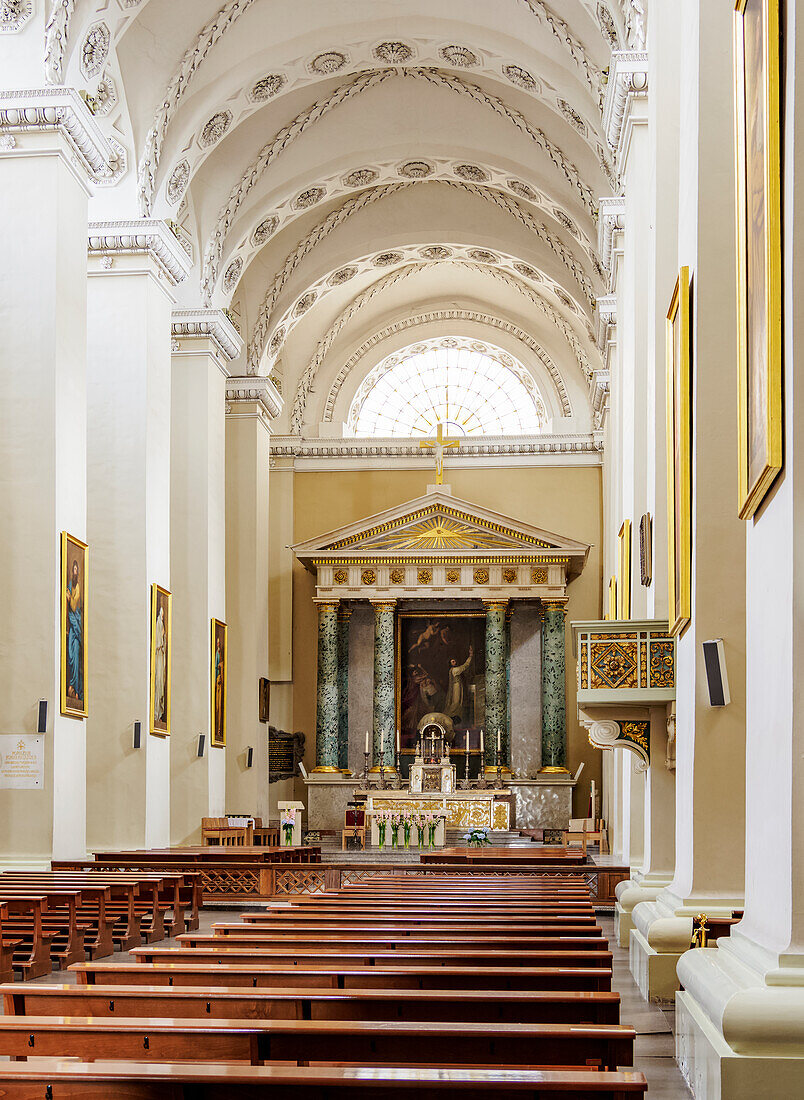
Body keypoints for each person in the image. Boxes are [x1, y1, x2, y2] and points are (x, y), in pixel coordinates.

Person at [65, 559, 82, 703]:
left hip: (77, 626)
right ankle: (72, 687)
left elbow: (75, 607)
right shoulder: (70, 585)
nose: (75, 572)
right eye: (74, 569)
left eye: (77, 570)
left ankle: (75, 688)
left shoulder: (78, 587)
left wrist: (70, 598)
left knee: (75, 655)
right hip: (72, 626)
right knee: (71, 656)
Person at [444, 646, 473, 721]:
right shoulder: (455, 670)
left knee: (458, 701)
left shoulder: (452, 670)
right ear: (450, 663)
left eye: (454, 661)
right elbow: (465, 666)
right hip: (456, 686)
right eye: (452, 662)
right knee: (456, 702)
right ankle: (451, 716)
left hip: (457, 686)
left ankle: (454, 716)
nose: (455, 662)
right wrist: (470, 656)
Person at [154, 604, 167, 724]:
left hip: (161, 658)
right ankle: (156, 713)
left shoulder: (161, 626)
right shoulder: (158, 626)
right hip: (158, 658)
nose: (162, 619)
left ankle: (159, 713)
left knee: (160, 683)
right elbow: (157, 645)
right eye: (162, 617)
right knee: (158, 683)